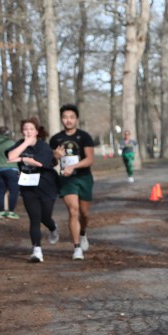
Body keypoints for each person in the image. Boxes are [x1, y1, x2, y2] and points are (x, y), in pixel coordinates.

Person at [8, 117, 60, 263]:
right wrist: (25, 144)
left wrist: (22, 159)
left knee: (45, 217)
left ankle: (53, 227)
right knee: (34, 219)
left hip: (47, 186)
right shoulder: (20, 144)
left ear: (37, 131)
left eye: (31, 129)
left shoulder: (43, 146)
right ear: (22, 132)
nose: (28, 132)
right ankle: (37, 251)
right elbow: (11, 156)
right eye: (25, 129)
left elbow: (39, 163)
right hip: (28, 187)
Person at [50, 105, 96, 261]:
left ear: (76, 119)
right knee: (73, 211)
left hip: (83, 177)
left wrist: (73, 166)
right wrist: (55, 156)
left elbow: (89, 159)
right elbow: (52, 162)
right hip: (66, 179)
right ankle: (77, 248)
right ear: (61, 119)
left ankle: (83, 233)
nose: (68, 120)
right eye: (65, 117)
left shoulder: (84, 136)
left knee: (84, 213)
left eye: (71, 117)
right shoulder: (56, 139)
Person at [0, 125, 20, 219]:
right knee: (13, 191)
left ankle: (1, 212)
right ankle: (11, 212)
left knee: (0, 191)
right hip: (11, 169)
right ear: (8, 133)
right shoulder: (12, 143)